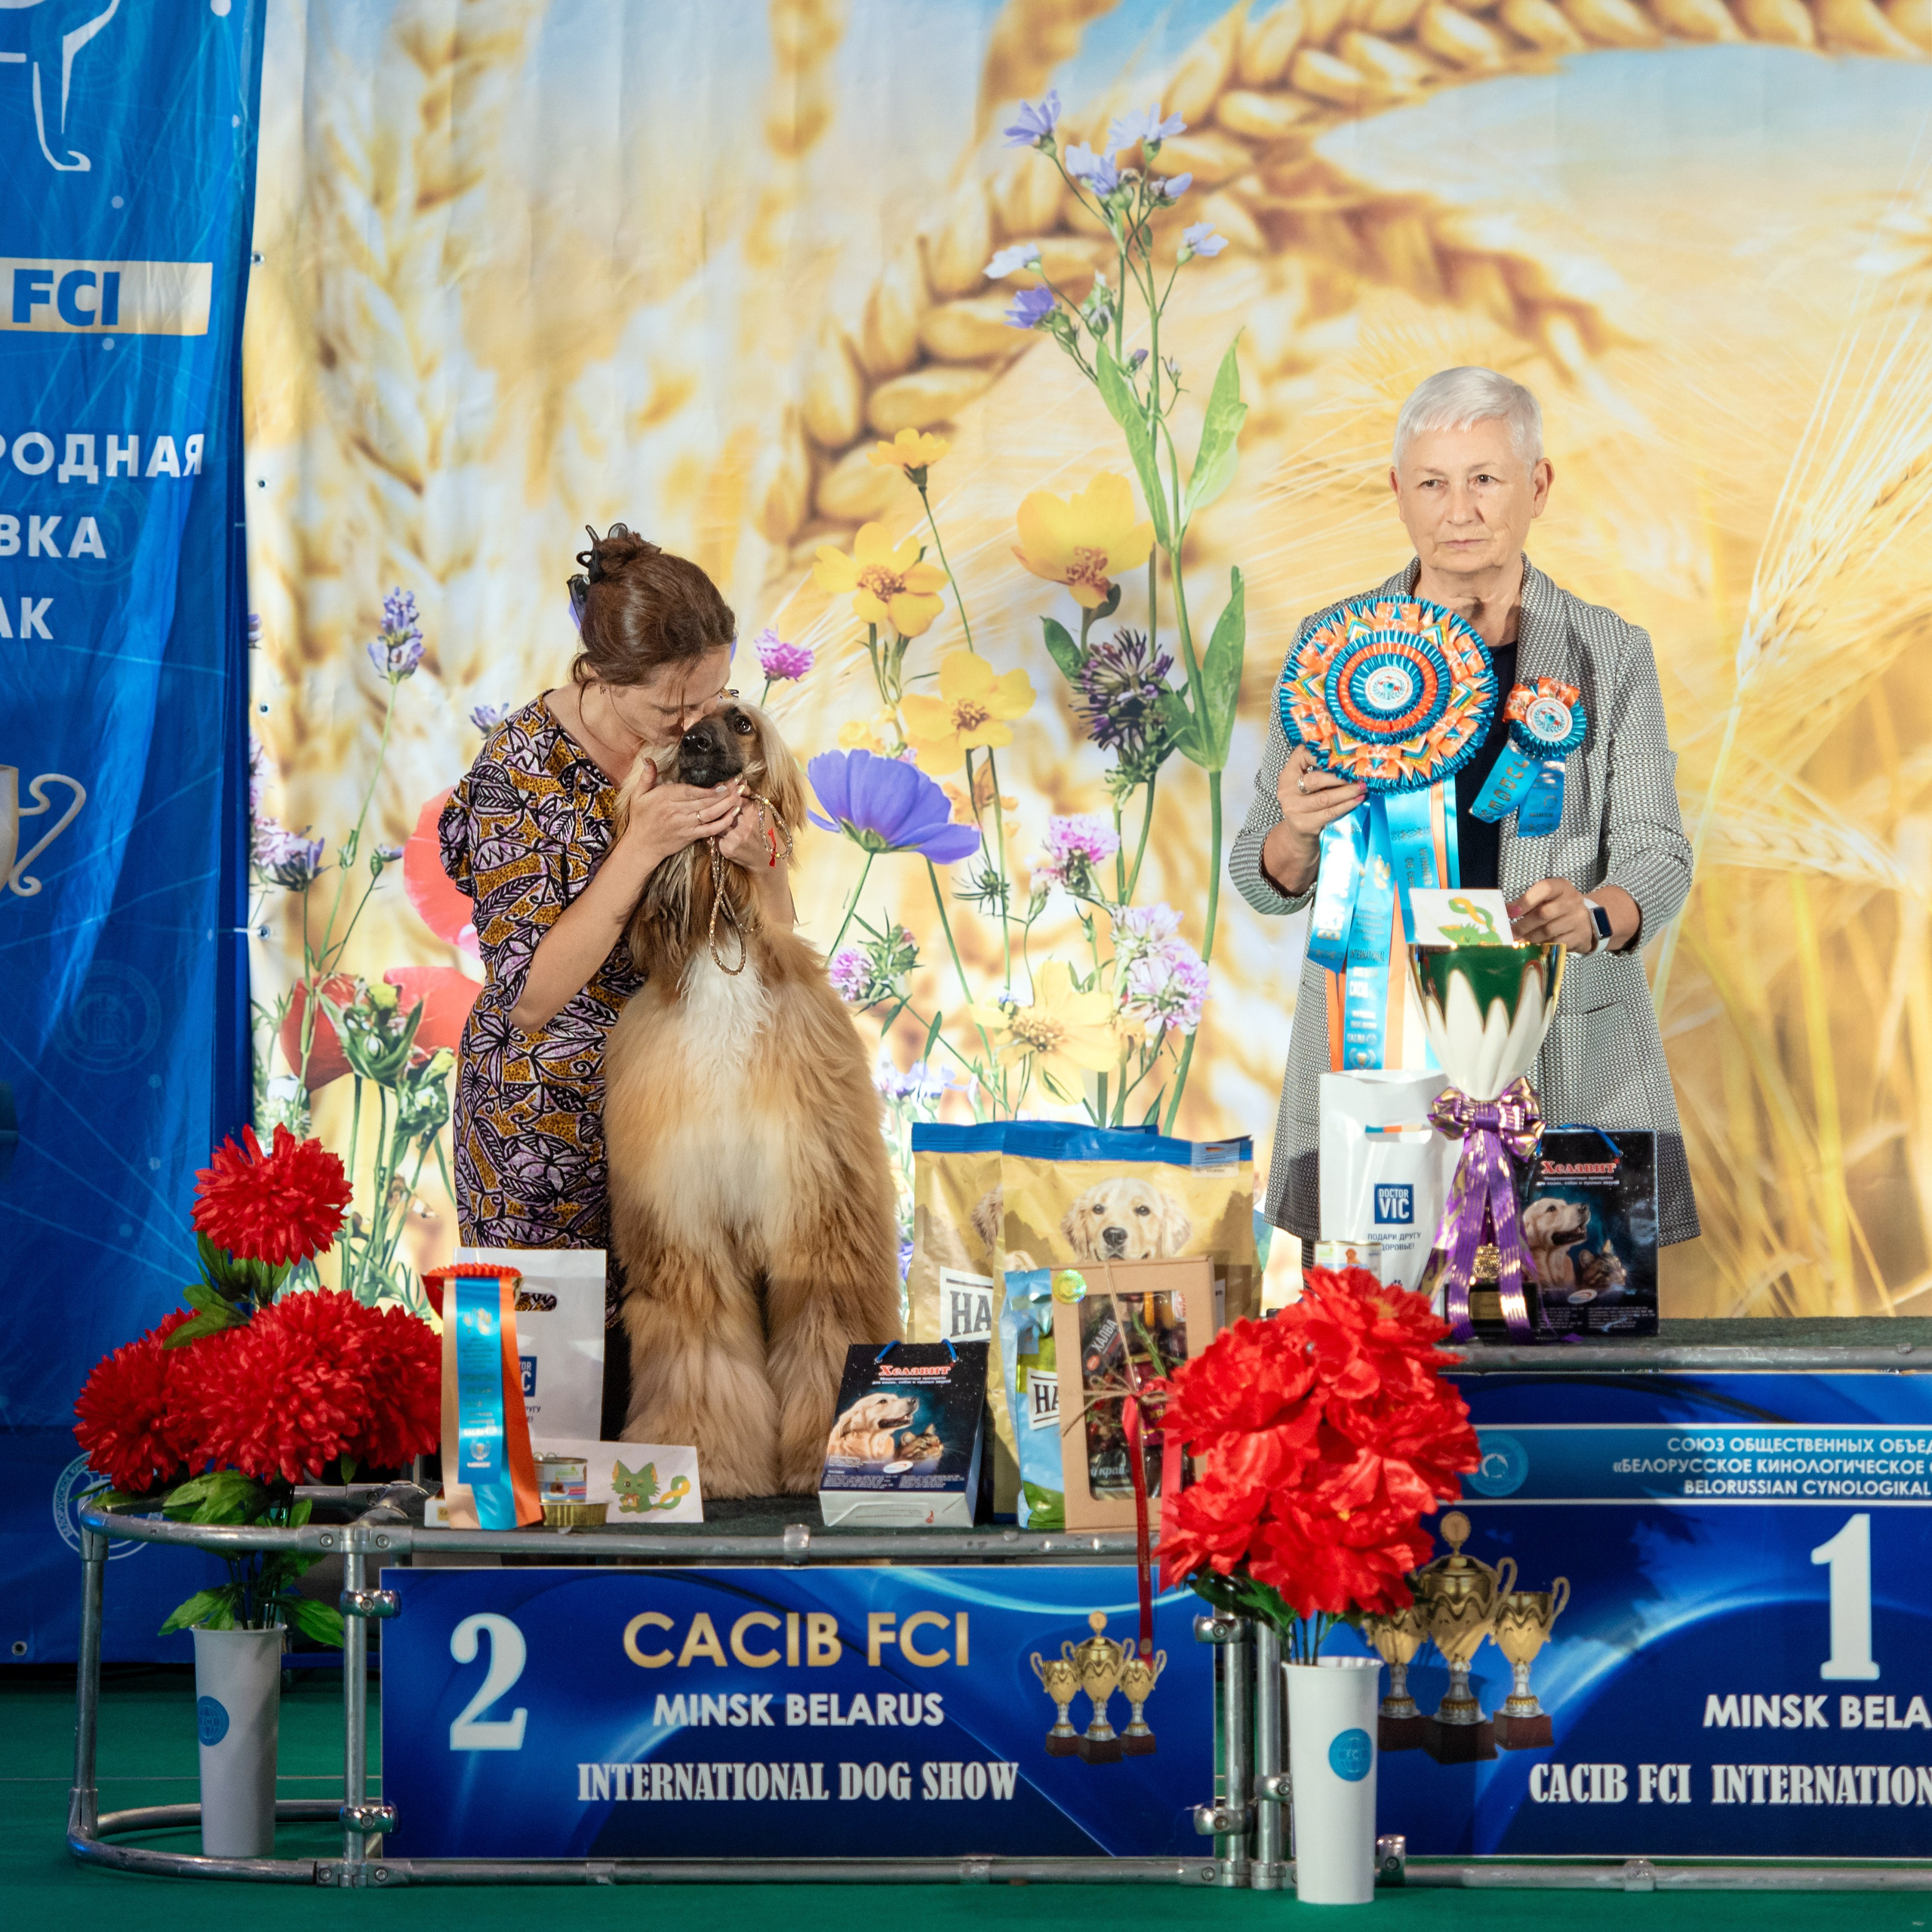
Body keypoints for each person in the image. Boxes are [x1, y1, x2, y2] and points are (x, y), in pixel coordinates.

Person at [1231, 368, 1698, 1255]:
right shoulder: (1330, 647)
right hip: (1375, 1040)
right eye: (1433, 483)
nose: (1460, 509)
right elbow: (1267, 878)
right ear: (1398, 494)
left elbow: (1657, 853)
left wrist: (1597, 912)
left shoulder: (1610, 651)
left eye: (1484, 478)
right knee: (1379, 1347)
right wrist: (1293, 830)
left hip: (1558, 1042)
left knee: (1566, 1322)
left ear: (1537, 487)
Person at [439, 525, 794, 1272]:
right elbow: (529, 998)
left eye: (717, 695)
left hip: (686, 1130)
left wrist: (768, 864)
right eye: (673, 708)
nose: (697, 723)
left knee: (678, 1369)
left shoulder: (700, 747)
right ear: (602, 675)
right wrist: (639, 847)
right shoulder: (519, 769)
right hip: (546, 1139)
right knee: (555, 1384)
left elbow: (775, 946)